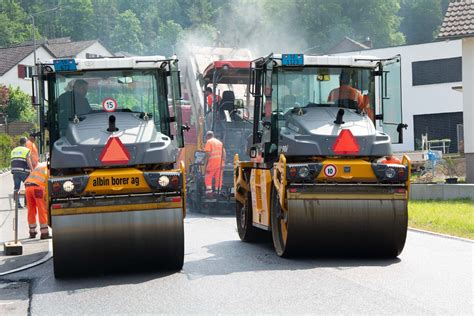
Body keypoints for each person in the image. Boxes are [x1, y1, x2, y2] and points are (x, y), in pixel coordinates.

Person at [24, 162, 50, 239]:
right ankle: (44, 233)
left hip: (28, 187)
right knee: (42, 209)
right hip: (38, 188)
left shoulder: (40, 165)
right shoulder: (49, 167)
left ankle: (32, 232)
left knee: (31, 209)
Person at [11, 137, 33, 208]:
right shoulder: (26, 150)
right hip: (23, 171)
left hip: (15, 171)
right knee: (28, 186)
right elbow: (28, 160)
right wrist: (32, 170)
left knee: (16, 188)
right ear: (26, 142)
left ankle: (17, 204)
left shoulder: (13, 150)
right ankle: (27, 203)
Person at [204, 131, 226, 195]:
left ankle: (209, 191)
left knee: (208, 176)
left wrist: (205, 162)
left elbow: (208, 153)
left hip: (212, 163)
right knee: (218, 177)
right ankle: (218, 191)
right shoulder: (219, 142)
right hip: (220, 164)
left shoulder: (209, 142)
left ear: (207, 136)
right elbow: (224, 153)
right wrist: (223, 162)